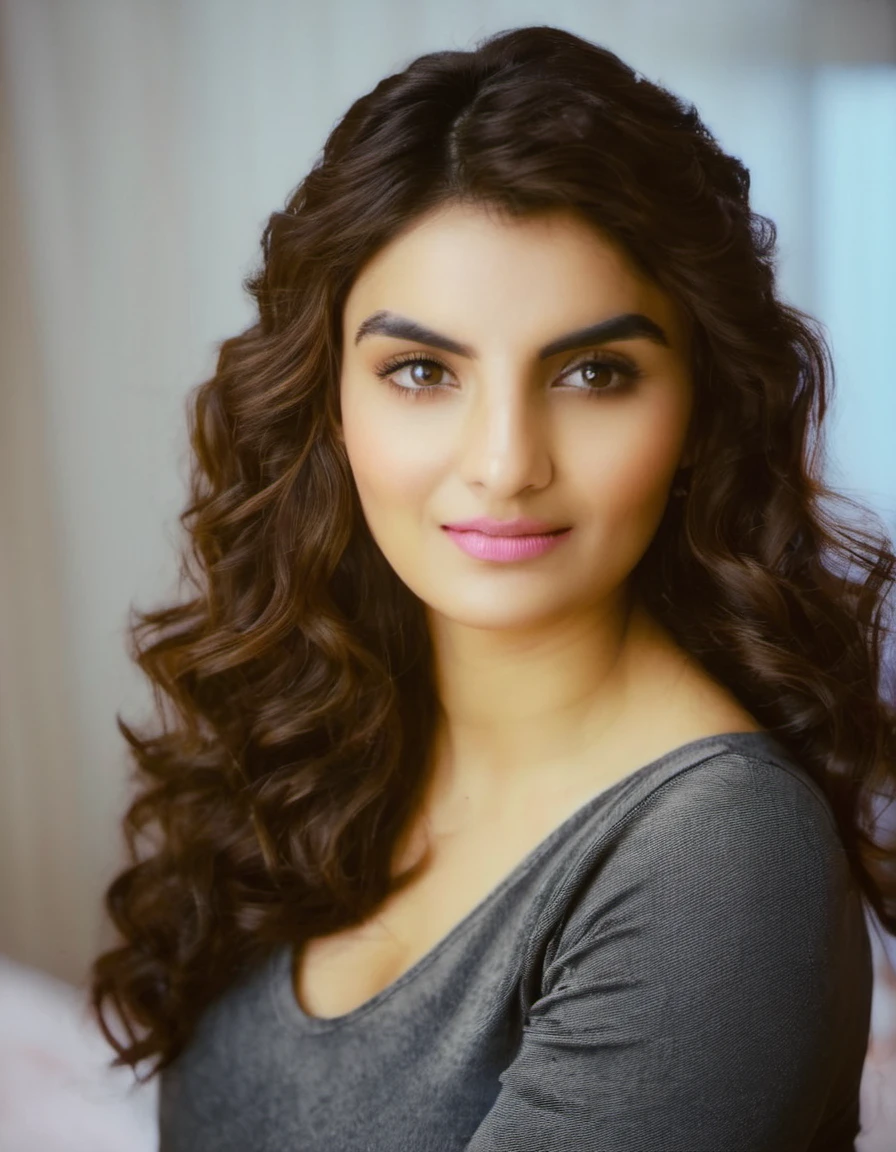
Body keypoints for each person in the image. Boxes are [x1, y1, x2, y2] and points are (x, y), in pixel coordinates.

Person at [88, 24, 896, 1151]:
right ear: (330, 403)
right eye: (421, 371)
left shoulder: (716, 858)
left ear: (698, 408)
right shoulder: (320, 746)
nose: (506, 462)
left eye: (591, 373)